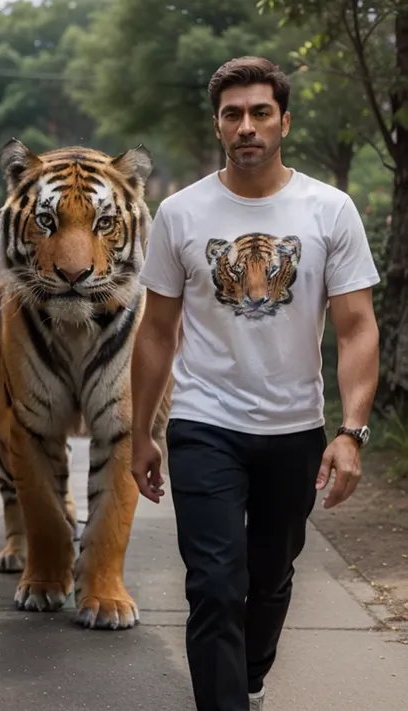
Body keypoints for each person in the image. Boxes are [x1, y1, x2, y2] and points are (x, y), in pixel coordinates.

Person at [130, 56, 380, 711]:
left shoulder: (330, 210)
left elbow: (356, 328)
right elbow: (155, 332)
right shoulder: (180, 214)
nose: (247, 126)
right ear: (218, 125)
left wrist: (351, 431)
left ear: (283, 121)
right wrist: (140, 435)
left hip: (295, 429)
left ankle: (250, 674)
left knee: (269, 579)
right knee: (214, 583)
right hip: (202, 424)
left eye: (259, 113)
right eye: (233, 114)